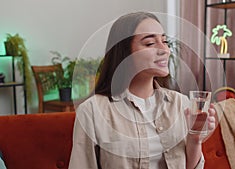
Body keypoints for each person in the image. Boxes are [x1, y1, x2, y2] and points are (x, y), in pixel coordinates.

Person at [69, 11, 216, 169]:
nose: (165, 50)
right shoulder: (92, 112)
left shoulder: (181, 103)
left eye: (164, 41)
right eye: (150, 43)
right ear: (124, 52)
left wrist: (194, 139)